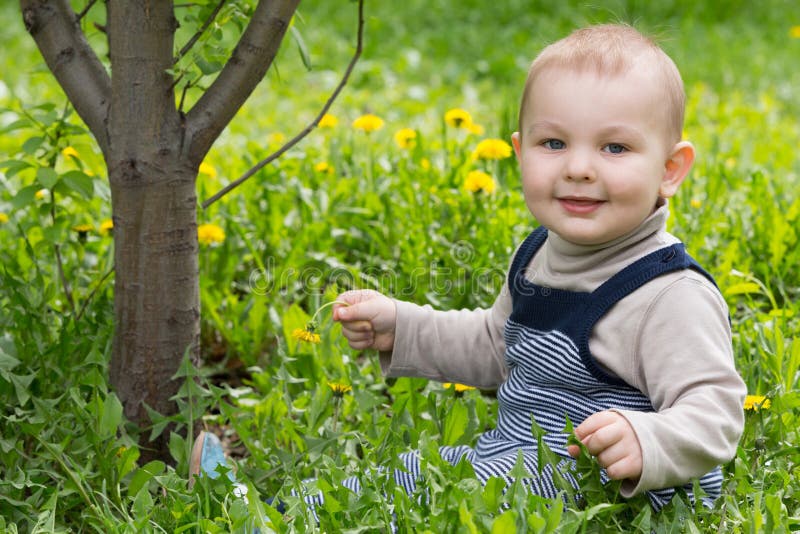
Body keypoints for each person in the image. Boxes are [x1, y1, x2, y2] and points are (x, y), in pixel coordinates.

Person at [191, 23, 746, 516]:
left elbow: (715, 411)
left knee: (460, 495)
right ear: (519, 152)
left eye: (615, 148)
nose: (578, 168)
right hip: (514, 458)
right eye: (554, 143)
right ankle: (266, 513)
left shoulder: (668, 294)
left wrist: (648, 440)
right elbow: (495, 345)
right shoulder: (539, 254)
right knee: (413, 472)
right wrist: (402, 327)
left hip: (608, 488)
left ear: (670, 169)